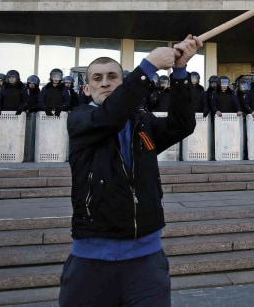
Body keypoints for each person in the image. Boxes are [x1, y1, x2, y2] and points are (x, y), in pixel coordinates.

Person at [59, 34, 201, 307]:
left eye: (112, 76)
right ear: (86, 89)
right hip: (91, 261)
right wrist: (147, 67)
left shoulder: (142, 123)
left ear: (123, 83)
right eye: (97, 79)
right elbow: (110, 117)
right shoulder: (81, 120)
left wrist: (180, 72)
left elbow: (182, 124)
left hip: (146, 260)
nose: (105, 83)